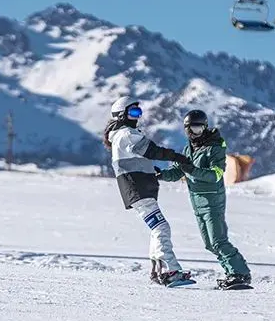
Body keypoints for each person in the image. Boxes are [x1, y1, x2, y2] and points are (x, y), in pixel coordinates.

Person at [103, 96, 194, 286]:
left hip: (138, 187)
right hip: (137, 188)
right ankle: (171, 271)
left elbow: (137, 159)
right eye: (133, 112)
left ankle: (158, 271)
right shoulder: (127, 134)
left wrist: (153, 172)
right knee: (161, 227)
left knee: (156, 228)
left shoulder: (122, 135)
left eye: (139, 112)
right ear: (121, 115)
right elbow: (151, 151)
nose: (137, 117)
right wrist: (178, 157)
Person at [157, 109, 252, 289]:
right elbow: (178, 171)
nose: (195, 133)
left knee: (218, 240)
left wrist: (191, 169)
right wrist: (160, 174)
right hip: (197, 202)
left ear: (205, 127)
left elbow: (215, 175)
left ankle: (240, 273)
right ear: (186, 130)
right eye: (191, 129)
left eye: (199, 129)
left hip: (212, 201)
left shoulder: (214, 148)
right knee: (209, 244)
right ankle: (231, 273)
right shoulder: (189, 149)